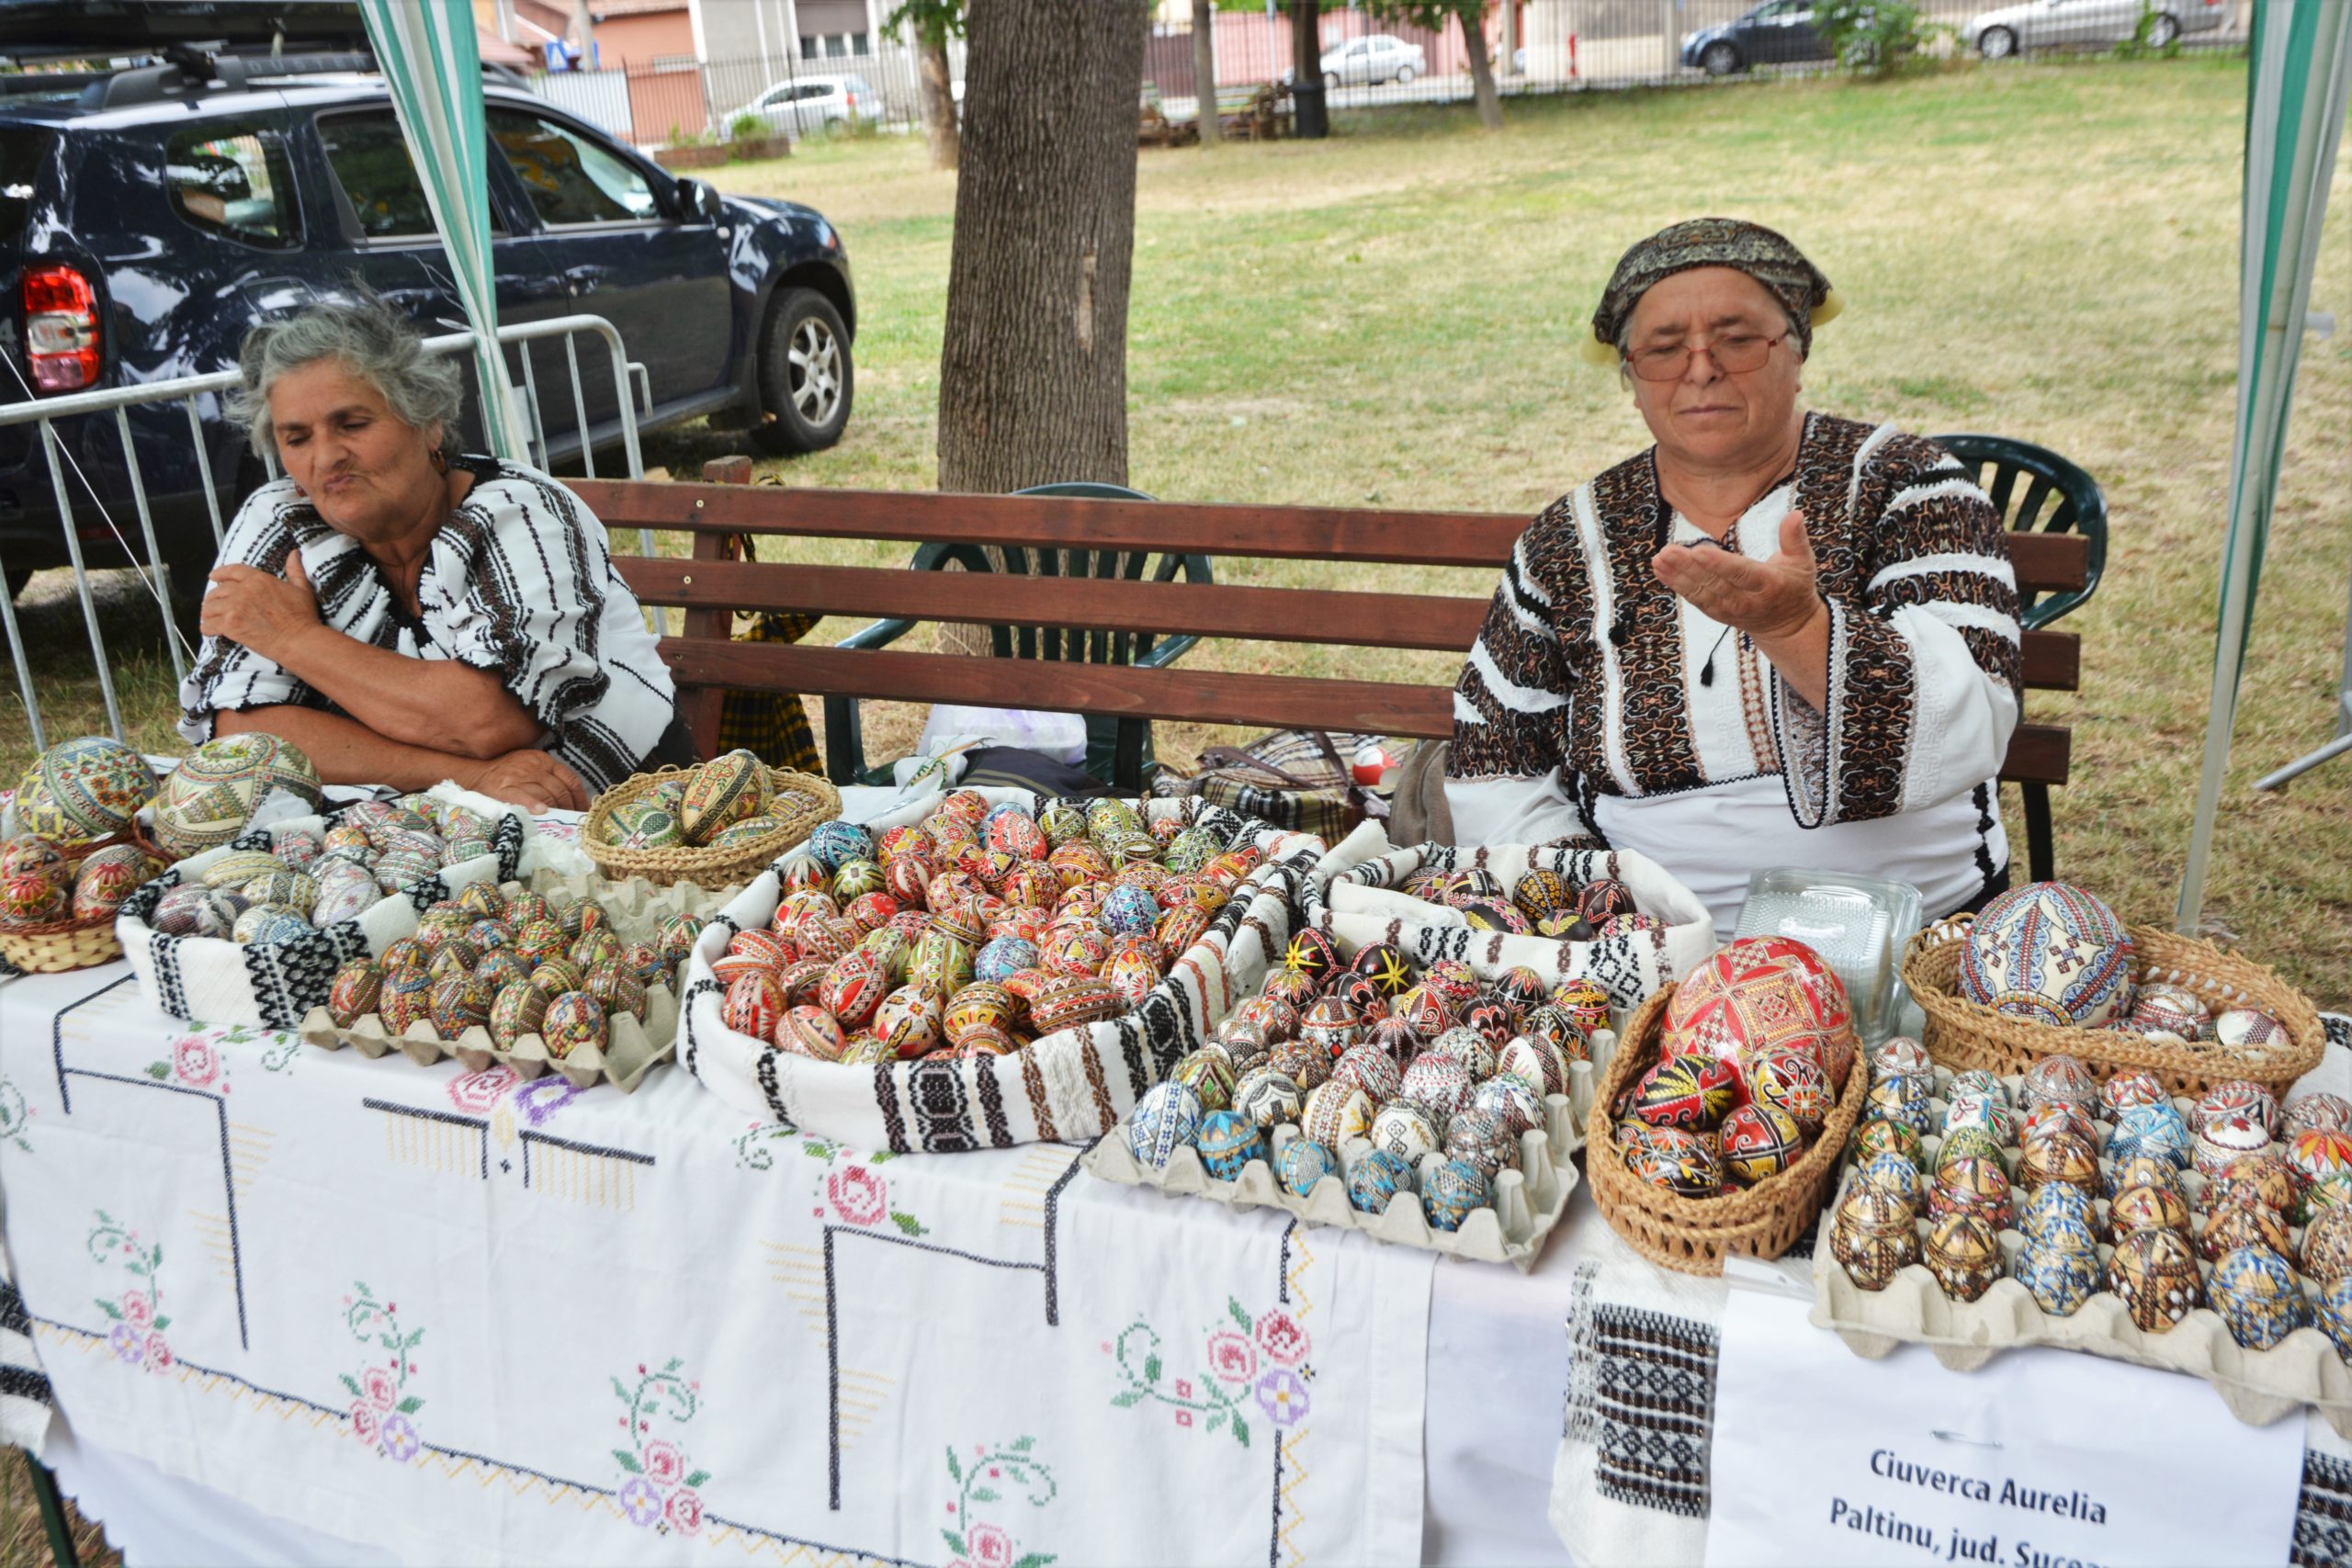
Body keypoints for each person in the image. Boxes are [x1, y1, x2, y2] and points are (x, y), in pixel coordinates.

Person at [1447, 218, 2022, 936]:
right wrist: (1596, 910)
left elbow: (1976, 717)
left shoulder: (1909, 488)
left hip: (1909, 930)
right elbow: (1495, 754)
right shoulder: (1570, 539)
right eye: (1663, 348)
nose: (1700, 367)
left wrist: (1800, 630)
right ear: (1631, 379)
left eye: (1738, 338)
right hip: (1654, 939)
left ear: (1798, 353)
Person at [180, 294, 690, 811]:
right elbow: (242, 733)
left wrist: (292, 637)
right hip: (417, 828)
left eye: (352, 425)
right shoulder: (280, 517)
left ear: (427, 421)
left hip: (621, 813)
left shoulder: (519, 511)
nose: (327, 458)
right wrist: (468, 778)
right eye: (297, 437)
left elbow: (489, 718)